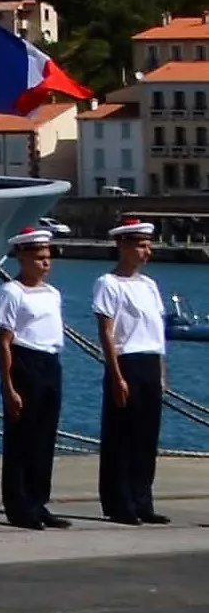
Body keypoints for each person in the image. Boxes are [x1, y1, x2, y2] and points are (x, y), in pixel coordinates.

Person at [0, 223, 68, 530]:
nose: (45, 263)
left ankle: (38, 500)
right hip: (25, 360)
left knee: (44, 437)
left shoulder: (52, 293)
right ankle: (19, 504)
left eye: (48, 257)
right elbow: (3, 340)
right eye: (39, 257)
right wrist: (8, 384)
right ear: (23, 257)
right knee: (23, 437)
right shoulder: (11, 292)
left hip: (49, 361)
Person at [93, 218, 169, 524]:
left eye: (148, 245)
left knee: (146, 437)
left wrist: (162, 372)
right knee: (121, 435)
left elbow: (158, 332)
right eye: (140, 245)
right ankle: (119, 501)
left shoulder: (149, 285)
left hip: (150, 361)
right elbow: (107, 332)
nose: (146, 251)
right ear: (123, 246)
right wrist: (116, 374)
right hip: (127, 360)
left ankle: (142, 499)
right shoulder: (108, 284)